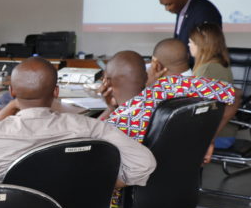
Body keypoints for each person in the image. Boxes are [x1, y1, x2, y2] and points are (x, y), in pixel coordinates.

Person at [0, 57, 156, 188]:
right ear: (56, 92)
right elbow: (144, 162)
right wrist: (100, 187)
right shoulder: (88, 126)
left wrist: (12, 105)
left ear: (11, 91)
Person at [100, 50, 237, 163]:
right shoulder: (170, 87)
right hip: (177, 187)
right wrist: (208, 139)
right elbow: (235, 94)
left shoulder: (112, 125)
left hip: (125, 193)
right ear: (146, 76)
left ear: (106, 81)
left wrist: (110, 109)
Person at [158, 0, 222, 50]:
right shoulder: (181, 7)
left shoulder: (205, 11)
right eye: (164, 5)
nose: (167, 9)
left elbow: (206, 50)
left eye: (169, 4)